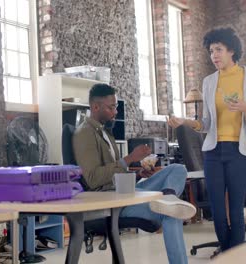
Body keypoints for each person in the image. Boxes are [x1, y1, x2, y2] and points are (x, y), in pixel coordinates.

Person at [72, 83, 196, 264]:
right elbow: (93, 179)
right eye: (111, 107)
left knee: (178, 169)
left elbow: (114, 173)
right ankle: (169, 205)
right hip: (110, 202)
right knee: (171, 214)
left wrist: (139, 175)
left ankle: (168, 198)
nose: (115, 112)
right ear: (95, 107)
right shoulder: (84, 134)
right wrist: (129, 159)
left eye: (116, 106)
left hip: (123, 192)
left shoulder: (105, 132)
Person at [168, 27, 246, 251]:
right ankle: (227, 251)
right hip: (213, 152)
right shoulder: (209, 81)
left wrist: (245, 109)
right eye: (211, 51)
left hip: (239, 152)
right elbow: (205, 124)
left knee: (237, 210)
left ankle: (234, 255)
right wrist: (184, 121)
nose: (214, 56)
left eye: (218, 50)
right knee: (217, 210)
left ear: (232, 50)